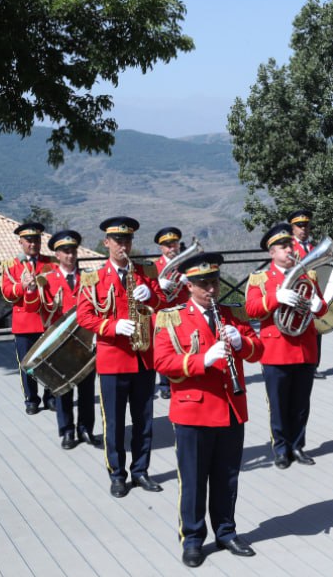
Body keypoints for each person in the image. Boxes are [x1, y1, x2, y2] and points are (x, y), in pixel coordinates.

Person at [153, 252, 263, 567]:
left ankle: (226, 531)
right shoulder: (172, 317)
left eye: (214, 282)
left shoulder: (232, 314)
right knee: (194, 479)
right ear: (189, 285)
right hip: (194, 412)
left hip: (230, 408)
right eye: (203, 284)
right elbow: (162, 362)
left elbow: (258, 349)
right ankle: (192, 538)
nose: (212, 290)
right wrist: (201, 360)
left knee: (227, 477)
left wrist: (241, 342)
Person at [76, 216, 168, 498]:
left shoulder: (145, 271)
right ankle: (117, 474)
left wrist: (151, 295)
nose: (123, 246)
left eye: (127, 240)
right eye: (117, 241)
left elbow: (162, 303)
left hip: (143, 357)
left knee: (144, 420)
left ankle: (141, 471)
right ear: (107, 243)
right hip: (114, 358)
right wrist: (112, 326)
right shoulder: (93, 278)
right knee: (114, 423)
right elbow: (84, 316)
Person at [245, 222, 327, 469]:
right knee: (279, 405)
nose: (290, 250)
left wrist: (316, 305)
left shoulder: (306, 276)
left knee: (301, 404)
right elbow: (251, 309)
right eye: (283, 247)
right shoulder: (260, 278)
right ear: (272, 253)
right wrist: (274, 298)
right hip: (276, 351)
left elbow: (322, 306)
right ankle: (281, 448)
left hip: (304, 348)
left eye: (290, 245)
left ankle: (297, 446)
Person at [30, 230, 99, 449]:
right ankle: (67, 431)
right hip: (60, 344)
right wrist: (30, 290)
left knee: (87, 390)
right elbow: (37, 309)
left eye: (72, 251)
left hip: (86, 341)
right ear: (57, 255)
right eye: (65, 252)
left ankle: (86, 428)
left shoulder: (89, 278)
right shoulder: (47, 280)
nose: (70, 255)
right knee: (63, 389)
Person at [0, 221, 56, 414]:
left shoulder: (51, 263)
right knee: (27, 365)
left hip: (47, 321)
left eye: (36, 240)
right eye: (29, 240)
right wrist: (22, 287)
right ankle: (31, 399)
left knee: (50, 362)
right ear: (20, 242)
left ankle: (51, 396)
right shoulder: (11, 266)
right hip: (24, 324)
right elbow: (7, 293)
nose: (33, 244)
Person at [153, 226, 190, 400]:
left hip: (182, 309)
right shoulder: (154, 267)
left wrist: (188, 279)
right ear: (161, 248)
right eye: (167, 245)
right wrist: (158, 284)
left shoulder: (186, 265)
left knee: (183, 345)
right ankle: (164, 384)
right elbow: (146, 291)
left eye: (174, 244)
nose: (171, 248)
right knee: (164, 348)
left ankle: (182, 377)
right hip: (163, 312)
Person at [289, 209, 326, 379]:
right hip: (297, 293)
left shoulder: (313, 248)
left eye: (306, 226)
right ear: (293, 228)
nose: (303, 229)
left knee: (314, 330)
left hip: (314, 293)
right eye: (299, 226)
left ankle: (313, 364)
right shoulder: (289, 248)